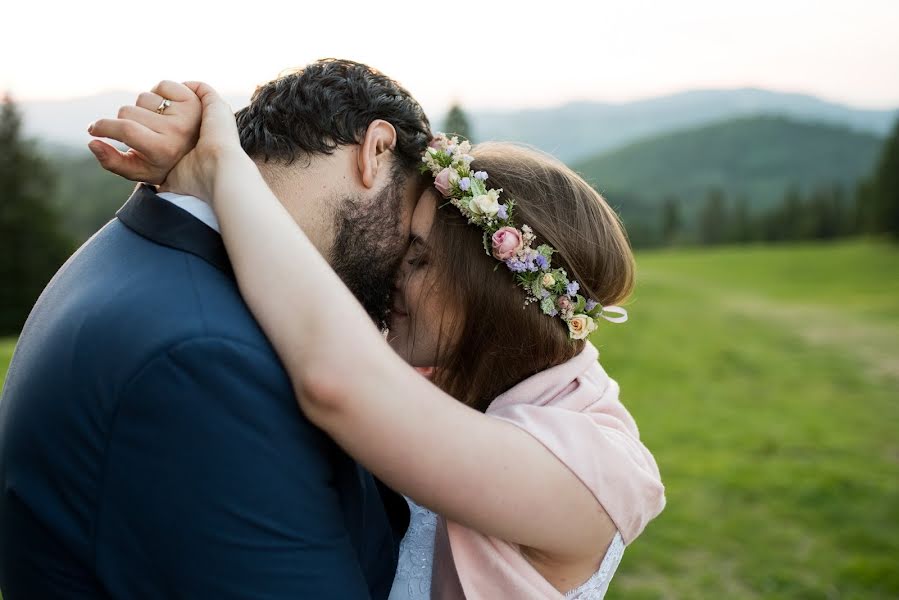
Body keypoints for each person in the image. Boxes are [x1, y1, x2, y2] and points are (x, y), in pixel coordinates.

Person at [94, 81, 666, 599]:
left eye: (418, 258)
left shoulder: (597, 470)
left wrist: (224, 167)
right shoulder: (448, 372)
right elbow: (307, 297)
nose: (394, 273)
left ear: (494, 293)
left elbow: (334, 380)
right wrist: (197, 167)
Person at [0, 59, 430, 599]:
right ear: (376, 151)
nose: (406, 269)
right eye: (414, 235)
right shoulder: (206, 359)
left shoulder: (155, 254)